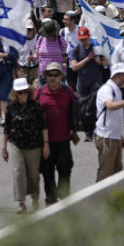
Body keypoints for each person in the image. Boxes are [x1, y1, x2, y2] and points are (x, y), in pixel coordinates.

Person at [1, 78, 48, 214]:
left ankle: (35, 198)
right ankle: (21, 202)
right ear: (15, 94)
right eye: (20, 92)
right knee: (18, 172)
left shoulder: (35, 106)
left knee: (34, 175)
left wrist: (46, 144)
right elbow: (7, 129)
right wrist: (4, 148)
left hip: (34, 145)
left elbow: (43, 126)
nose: (23, 95)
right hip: (16, 144)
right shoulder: (10, 108)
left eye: (25, 92)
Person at [35, 63, 78, 205]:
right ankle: (51, 199)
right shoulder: (40, 93)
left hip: (64, 138)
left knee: (65, 167)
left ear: (60, 76)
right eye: (50, 75)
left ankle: (63, 193)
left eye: (55, 75)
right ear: (45, 76)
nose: (53, 78)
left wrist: (75, 131)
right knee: (47, 171)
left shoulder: (67, 91)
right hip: (45, 141)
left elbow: (74, 111)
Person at [94, 64, 124, 182]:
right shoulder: (107, 89)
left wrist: (120, 136)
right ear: (118, 75)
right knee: (105, 173)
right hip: (107, 137)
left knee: (117, 172)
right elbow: (110, 106)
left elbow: (115, 116)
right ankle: (98, 197)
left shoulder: (116, 89)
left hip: (114, 136)